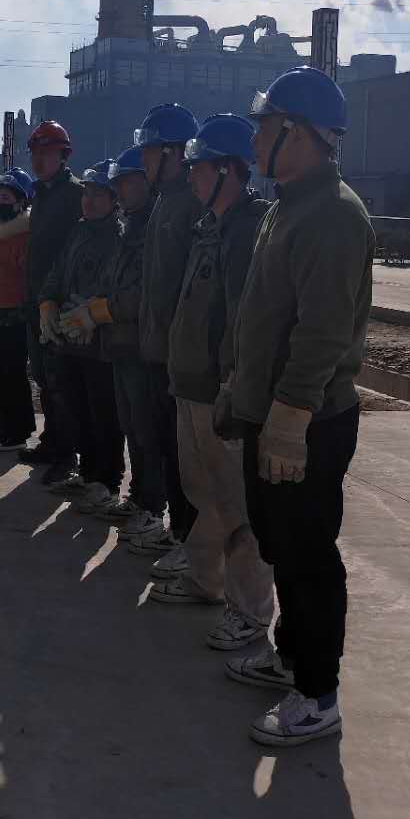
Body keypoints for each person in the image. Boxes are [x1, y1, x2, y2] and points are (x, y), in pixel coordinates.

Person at [223, 67, 374, 747]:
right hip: (273, 410)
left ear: (299, 133)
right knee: (280, 544)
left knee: (308, 555)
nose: (255, 140)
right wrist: (242, 392)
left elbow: (322, 333)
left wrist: (287, 419)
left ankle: (318, 694)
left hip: (307, 420)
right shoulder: (286, 208)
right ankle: (290, 658)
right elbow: (262, 318)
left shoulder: (334, 215)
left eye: (264, 128)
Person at [150, 115, 275, 651]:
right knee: (204, 492)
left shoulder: (246, 232)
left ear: (228, 170)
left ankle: (249, 612)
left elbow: (246, 320)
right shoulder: (208, 227)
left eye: (200, 167)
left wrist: (234, 385)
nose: (192, 176)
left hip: (220, 391)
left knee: (237, 507)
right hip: (190, 384)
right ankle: (206, 580)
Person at [59, 146, 167, 540]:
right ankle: (138, 498)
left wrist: (100, 310)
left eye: (126, 182)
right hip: (120, 344)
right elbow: (112, 280)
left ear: (147, 182)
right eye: (117, 183)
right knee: (132, 428)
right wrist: (89, 306)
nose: (121, 190)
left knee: (147, 430)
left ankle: (152, 506)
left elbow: (146, 292)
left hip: (141, 345)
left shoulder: (152, 226)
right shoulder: (130, 227)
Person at [127, 102, 203, 566]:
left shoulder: (191, 203)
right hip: (157, 351)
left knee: (184, 458)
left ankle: (190, 542)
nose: (144, 160)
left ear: (173, 153)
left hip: (180, 356)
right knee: (164, 447)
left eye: (151, 151)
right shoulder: (165, 203)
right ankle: (177, 530)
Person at [42, 162, 124, 509]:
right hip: (69, 338)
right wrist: (47, 302)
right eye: (86, 193)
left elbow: (114, 287)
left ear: (114, 200)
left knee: (103, 413)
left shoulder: (118, 236)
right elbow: (58, 272)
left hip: (99, 343)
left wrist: (90, 313)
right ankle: (88, 474)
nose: (89, 200)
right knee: (77, 409)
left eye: (98, 194)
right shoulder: (78, 231)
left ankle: (107, 481)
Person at [18, 121, 83, 487]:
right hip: (35, 300)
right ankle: (51, 441)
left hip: (57, 302)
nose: (39, 160)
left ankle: (66, 454)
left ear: (63, 155)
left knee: (61, 382)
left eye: (47, 153)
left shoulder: (74, 194)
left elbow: (72, 251)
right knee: (43, 377)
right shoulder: (40, 193)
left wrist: (58, 299)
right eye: (36, 153)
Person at [0, 168, 37, 453]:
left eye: (6, 197)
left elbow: (27, 278)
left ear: (20, 202)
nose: (0, 202)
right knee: (3, 374)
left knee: (14, 374)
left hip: (15, 316)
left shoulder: (22, 237)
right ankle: (6, 426)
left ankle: (18, 431)